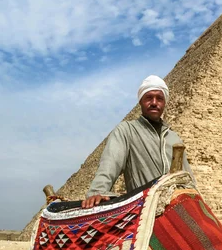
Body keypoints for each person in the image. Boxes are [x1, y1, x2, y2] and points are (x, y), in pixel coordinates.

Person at [81, 75, 195, 209]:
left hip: (177, 210)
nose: (154, 102)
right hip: (144, 211)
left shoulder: (174, 138)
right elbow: (110, 163)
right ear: (140, 101)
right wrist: (98, 191)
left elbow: (188, 181)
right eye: (148, 97)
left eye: (159, 98)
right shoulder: (127, 131)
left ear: (164, 102)